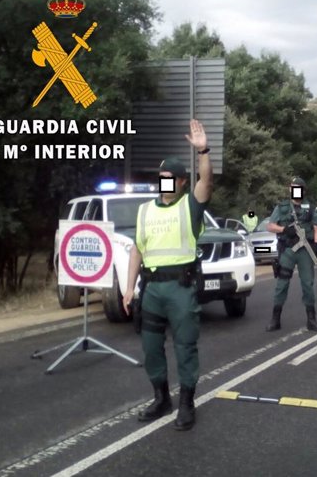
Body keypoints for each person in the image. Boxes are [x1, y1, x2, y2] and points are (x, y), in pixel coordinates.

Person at [122, 119, 213, 431]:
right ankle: (161, 397)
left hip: (181, 288)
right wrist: (128, 287)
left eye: (170, 179)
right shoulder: (145, 210)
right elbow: (137, 249)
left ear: (182, 182)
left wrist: (203, 150)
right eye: (161, 178)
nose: (164, 183)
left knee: (185, 347)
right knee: (150, 348)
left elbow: (207, 182)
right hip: (152, 290)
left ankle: (187, 403)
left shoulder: (190, 206)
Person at [266, 177, 317, 332]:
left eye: (298, 187)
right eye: (293, 187)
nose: (295, 190)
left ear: (303, 190)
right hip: (287, 250)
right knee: (281, 284)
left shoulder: (311, 208)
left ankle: (311, 320)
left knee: (308, 285)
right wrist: (284, 230)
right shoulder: (282, 207)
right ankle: (275, 320)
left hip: (305, 251)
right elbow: (270, 226)